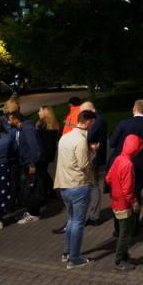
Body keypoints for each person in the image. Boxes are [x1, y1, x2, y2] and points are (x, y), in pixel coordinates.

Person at [54, 109, 97, 269]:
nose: (91, 127)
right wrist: (93, 153)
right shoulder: (80, 140)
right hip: (78, 185)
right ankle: (75, 258)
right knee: (78, 222)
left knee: (71, 220)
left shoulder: (64, 137)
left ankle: (67, 252)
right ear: (86, 122)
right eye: (91, 124)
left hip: (64, 185)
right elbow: (83, 164)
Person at [107, 99, 143, 225]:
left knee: (120, 194)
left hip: (121, 163)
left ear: (134, 109)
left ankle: (119, 225)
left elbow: (113, 143)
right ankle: (134, 223)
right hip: (140, 167)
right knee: (135, 194)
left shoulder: (123, 124)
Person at [105, 133, 143, 271]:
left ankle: (124, 256)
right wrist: (135, 202)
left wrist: (116, 188)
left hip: (115, 201)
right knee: (125, 232)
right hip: (124, 204)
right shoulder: (128, 164)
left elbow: (108, 178)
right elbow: (128, 191)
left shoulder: (118, 159)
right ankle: (119, 259)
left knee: (124, 229)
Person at [8, 111, 44, 224]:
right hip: (26, 163)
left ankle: (34, 214)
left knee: (32, 188)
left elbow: (35, 148)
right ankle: (30, 211)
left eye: (10, 119)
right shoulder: (21, 129)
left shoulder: (27, 129)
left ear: (16, 119)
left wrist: (32, 163)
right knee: (28, 187)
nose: (8, 121)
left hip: (31, 164)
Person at [82, 101, 107, 225]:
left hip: (94, 158)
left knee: (93, 186)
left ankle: (94, 216)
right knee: (93, 186)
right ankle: (93, 215)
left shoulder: (97, 121)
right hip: (95, 156)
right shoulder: (99, 119)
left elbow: (87, 137)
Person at [36, 106, 60, 200]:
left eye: (40, 110)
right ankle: (49, 191)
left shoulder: (42, 124)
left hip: (43, 152)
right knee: (43, 172)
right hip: (49, 152)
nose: (38, 113)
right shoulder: (52, 123)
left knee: (42, 172)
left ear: (45, 112)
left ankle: (49, 191)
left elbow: (38, 138)